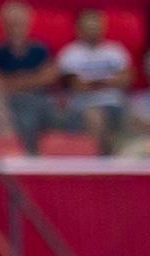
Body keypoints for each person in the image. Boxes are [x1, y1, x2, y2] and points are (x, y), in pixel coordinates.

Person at [57, 10, 133, 153]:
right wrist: (110, 81)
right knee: (96, 116)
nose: (93, 30)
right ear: (79, 29)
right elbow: (77, 85)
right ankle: (106, 160)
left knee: (140, 115)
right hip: (82, 106)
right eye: (89, 27)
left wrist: (93, 82)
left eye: (96, 26)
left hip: (116, 103)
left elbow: (126, 79)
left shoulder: (116, 50)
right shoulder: (70, 53)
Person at [0, 2, 56, 151]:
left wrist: (14, 81)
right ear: (3, 25)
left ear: (28, 23)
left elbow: (49, 77)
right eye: (11, 24)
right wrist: (32, 79)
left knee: (55, 114)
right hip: (11, 101)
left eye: (19, 23)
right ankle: (27, 156)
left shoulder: (40, 49)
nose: (15, 28)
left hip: (41, 98)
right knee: (21, 114)